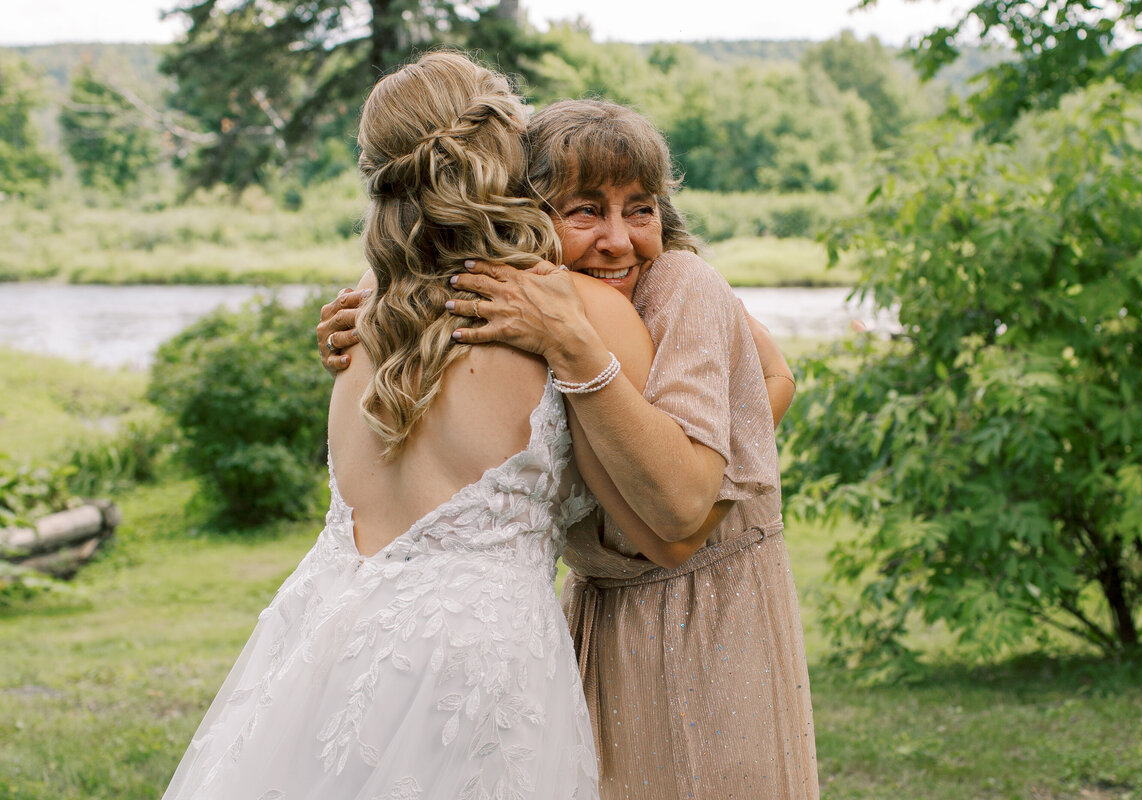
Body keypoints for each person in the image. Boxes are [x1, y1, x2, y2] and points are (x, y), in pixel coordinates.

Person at [163, 53, 657, 800]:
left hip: (324, 639)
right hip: (479, 664)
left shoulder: (367, 310)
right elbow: (672, 480)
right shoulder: (578, 313)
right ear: (504, 152)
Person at [320, 99, 820, 799]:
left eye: (641, 209)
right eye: (584, 211)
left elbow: (774, 376)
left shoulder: (679, 284)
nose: (619, 240)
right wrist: (382, 309)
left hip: (707, 604)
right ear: (526, 214)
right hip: (599, 600)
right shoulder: (543, 300)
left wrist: (718, 463)